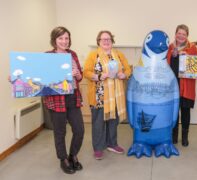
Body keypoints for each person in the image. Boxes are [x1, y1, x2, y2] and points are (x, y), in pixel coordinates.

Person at [83, 30, 131, 160]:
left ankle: (112, 144)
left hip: (116, 95)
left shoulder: (119, 55)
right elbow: (86, 72)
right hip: (99, 96)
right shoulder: (93, 55)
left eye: (108, 39)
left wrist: (124, 74)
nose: (106, 41)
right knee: (98, 123)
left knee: (113, 122)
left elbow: (128, 69)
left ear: (112, 41)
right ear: (98, 41)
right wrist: (98, 76)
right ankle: (98, 148)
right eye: (103, 39)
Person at [43, 26, 84, 174]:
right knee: (60, 132)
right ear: (54, 40)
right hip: (56, 99)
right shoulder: (47, 56)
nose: (64, 41)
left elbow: (80, 77)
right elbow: (38, 76)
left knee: (79, 130)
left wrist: (77, 73)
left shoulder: (73, 54)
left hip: (73, 96)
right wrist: (16, 80)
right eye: (61, 38)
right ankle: (63, 159)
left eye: (66, 38)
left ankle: (73, 155)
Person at [167, 24, 197, 147]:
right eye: (179, 33)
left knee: (185, 112)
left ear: (187, 36)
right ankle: (174, 136)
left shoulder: (192, 48)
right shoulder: (170, 47)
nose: (181, 36)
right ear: (175, 34)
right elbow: (166, 63)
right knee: (174, 112)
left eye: (183, 34)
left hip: (186, 86)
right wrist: (173, 54)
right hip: (173, 86)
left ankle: (185, 137)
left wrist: (188, 58)